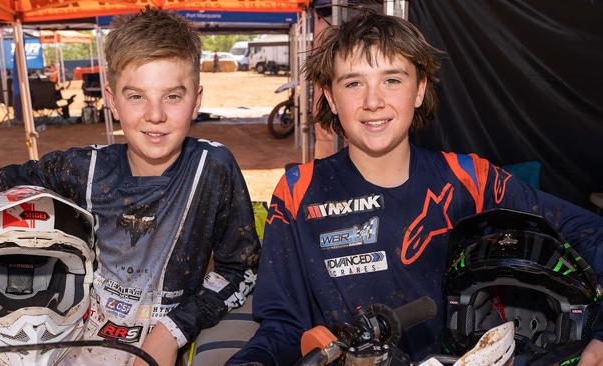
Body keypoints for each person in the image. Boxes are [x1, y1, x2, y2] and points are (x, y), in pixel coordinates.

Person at [227, 12, 603, 366]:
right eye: (354, 82)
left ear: (419, 90)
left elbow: (591, 233)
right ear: (328, 96)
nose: (373, 101)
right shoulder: (299, 191)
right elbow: (281, 324)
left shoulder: (470, 179)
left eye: (392, 79)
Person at [0, 8, 260, 366]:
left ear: (197, 99)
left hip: (155, 350)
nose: (155, 114)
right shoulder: (83, 168)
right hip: (62, 346)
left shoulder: (212, 167)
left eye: (172, 97)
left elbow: (241, 270)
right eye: (136, 97)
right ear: (112, 101)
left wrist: (172, 330)